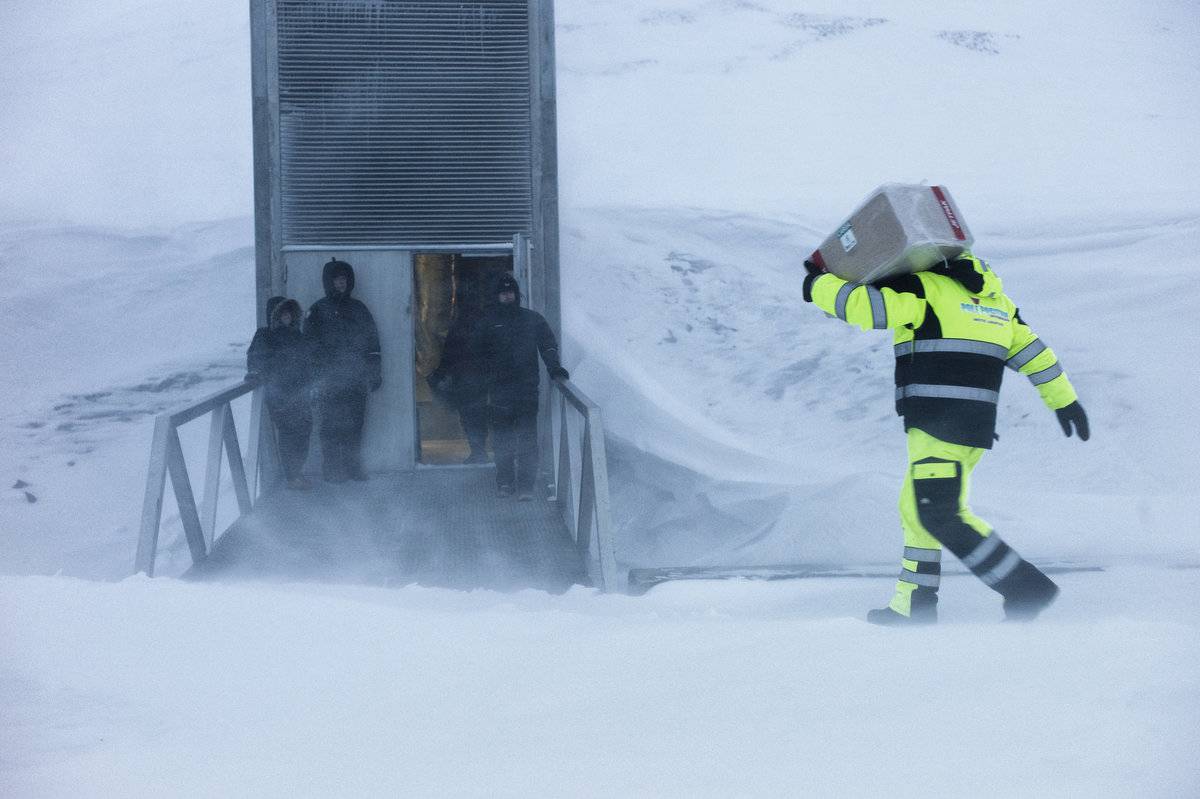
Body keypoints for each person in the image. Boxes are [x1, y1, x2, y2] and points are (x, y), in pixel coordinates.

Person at [802, 252, 1090, 624]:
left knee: (938, 513)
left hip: (938, 424)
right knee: (916, 508)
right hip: (972, 428)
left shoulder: (926, 288)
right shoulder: (998, 305)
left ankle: (1023, 586)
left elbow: (867, 308)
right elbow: (1038, 356)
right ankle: (914, 605)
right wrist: (1065, 401)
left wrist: (817, 284)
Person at [472, 273, 569, 499]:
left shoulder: (531, 319)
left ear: (516, 294)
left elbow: (548, 346)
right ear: (496, 296)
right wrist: (480, 379)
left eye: (511, 292)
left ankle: (526, 485)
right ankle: (505, 482)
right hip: (498, 392)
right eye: (503, 292)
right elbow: (474, 354)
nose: (507, 296)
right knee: (502, 439)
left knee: (527, 438)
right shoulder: (487, 322)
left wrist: (554, 368)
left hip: (526, 391)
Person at [303, 258, 381, 483]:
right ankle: (332, 469)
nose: (341, 284)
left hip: (356, 379)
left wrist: (374, 373)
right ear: (329, 282)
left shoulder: (359, 309)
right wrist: (315, 378)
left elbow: (372, 344)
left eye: (344, 279)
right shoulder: (317, 311)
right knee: (330, 426)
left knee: (355, 425)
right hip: (330, 381)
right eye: (337, 280)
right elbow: (309, 348)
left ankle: (353, 467)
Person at [246, 296, 314, 490]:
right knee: (289, 433)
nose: (286, 316)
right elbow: (255, 357)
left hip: (300, 393)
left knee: (304, 432)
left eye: (289, 312)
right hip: (279, 394)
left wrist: (312, 382)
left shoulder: (297, 335)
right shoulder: (264, 335)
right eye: (282, 313)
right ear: (274, 315)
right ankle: (292, 476)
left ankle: (297, 472)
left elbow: (307, 363)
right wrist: (255, 372)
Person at [429, 282, 490, 464]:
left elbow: (449, 353)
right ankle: (480, 451)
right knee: (478, 416)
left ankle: (478, 451)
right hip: (478, 377)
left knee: (470, 417)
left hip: (466, 378)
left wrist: (438, 375)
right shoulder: (484, 322)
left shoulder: (460, 325)